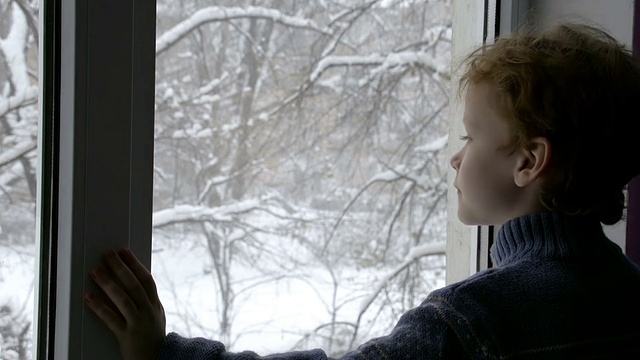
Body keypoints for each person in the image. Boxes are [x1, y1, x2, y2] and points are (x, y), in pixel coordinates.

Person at [85, 21, 640, 359]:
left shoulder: (476, 319)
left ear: (528, 161)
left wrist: (166, 354)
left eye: (471, 135)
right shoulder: (628, 293)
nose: (455, 155)